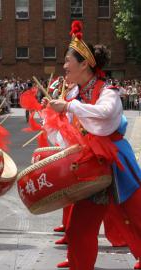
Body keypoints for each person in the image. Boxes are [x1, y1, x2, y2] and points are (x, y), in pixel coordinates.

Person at [42, 20, 141, 270]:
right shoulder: (73, 94)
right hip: (91, 168)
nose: (64, 65)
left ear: (84, 64)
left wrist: (70, 107)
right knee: (80, 227)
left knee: (137, 216)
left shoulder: (108, 91)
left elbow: (105, 115)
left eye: (68, 60)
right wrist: (54, 116)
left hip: (117, 164)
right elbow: (69, 134)